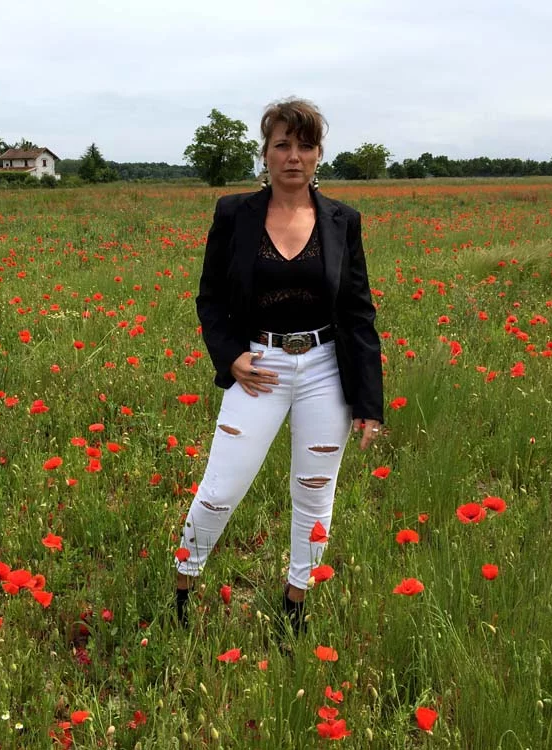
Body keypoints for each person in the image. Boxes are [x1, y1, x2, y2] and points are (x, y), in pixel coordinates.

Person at [174, 98, 384, 633]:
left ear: (318, 156)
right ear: (265, 154)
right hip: (259, 367)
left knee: (315, 494)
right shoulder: (234, 214)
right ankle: (182, 588)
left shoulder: (342, 221)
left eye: (305, 146)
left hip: (323, 370)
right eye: (282, 145)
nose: (294, 156)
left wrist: (369, 404)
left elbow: (358, 313)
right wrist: (232, 355)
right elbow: (209, 297)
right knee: (220, 488)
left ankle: (295, 603)